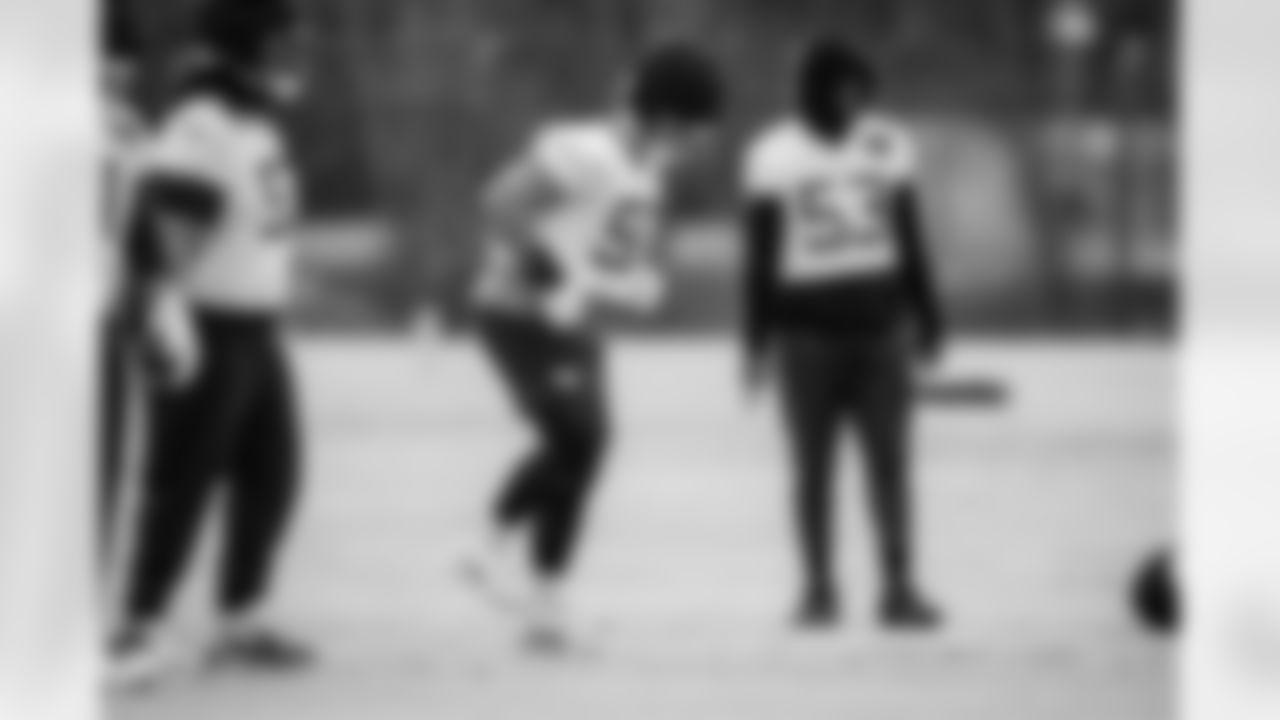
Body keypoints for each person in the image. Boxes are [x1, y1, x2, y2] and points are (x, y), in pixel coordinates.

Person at [466, 45, 725, 652]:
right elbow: (501, 201)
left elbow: (603, 254)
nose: (697, 142)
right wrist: (554, 276)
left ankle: (546, 606)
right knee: (576, 438)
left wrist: (631, 286)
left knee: (590, 449)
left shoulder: (646, 168)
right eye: (694, 125)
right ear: (666, 115)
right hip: (518, 312)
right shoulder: (589, 151)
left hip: (570, 321)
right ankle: (486, 547)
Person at [111, 0, 312, 684]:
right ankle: (140, 621)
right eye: (281, 41)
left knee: (273, 475)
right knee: (182, 480)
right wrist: (159, 305)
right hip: (206, 324)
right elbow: (169, 223)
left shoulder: (255, 120)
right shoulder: (203, 120)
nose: (292, 55)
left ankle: (239, 616)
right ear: (247, 47)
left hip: (256, 325)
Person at [741, 39, 945, 631]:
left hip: (881, 331)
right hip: (804, 337)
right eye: (842, 90)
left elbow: (910, 237)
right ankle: (818, 590)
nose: (853, 104)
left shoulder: (887, 144)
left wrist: (929, 317)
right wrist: (753, 345)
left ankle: (899, 587)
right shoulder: (772, 156)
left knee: (891, 464)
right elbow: (759, 259)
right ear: (815, 91)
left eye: (862, 91)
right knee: (812, 470)